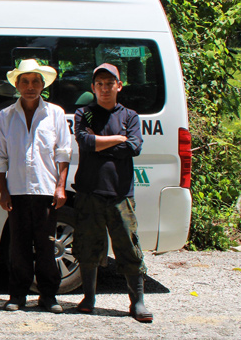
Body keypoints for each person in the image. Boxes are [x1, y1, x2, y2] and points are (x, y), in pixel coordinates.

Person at [0, 59, 71, 314]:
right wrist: (3, 191)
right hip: (18, 192)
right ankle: (18, 296)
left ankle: (48, 296)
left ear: (43, 85)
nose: (30, 86)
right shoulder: (6, 116)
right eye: (25, 81)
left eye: (36, 81)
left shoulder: (55, 113)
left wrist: (61, 187)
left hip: (46, 192)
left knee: (46, 247)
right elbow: (0, 156)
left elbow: (63, 153)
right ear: (17, 85)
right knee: (19, 247)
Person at [73, 63, 152, 322]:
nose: (105, 88)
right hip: (89, 191)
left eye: (110, 83)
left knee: (128, 247)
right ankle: (88, 298)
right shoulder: (84, 114)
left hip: (120, 194)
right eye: (99, 84)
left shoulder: (130, 116)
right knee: (87, 248)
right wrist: (118, 139)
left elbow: (134, 147)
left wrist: (100, 144)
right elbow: (84, 142)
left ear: (119, 85)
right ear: (93, 88)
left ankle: (137, 302)